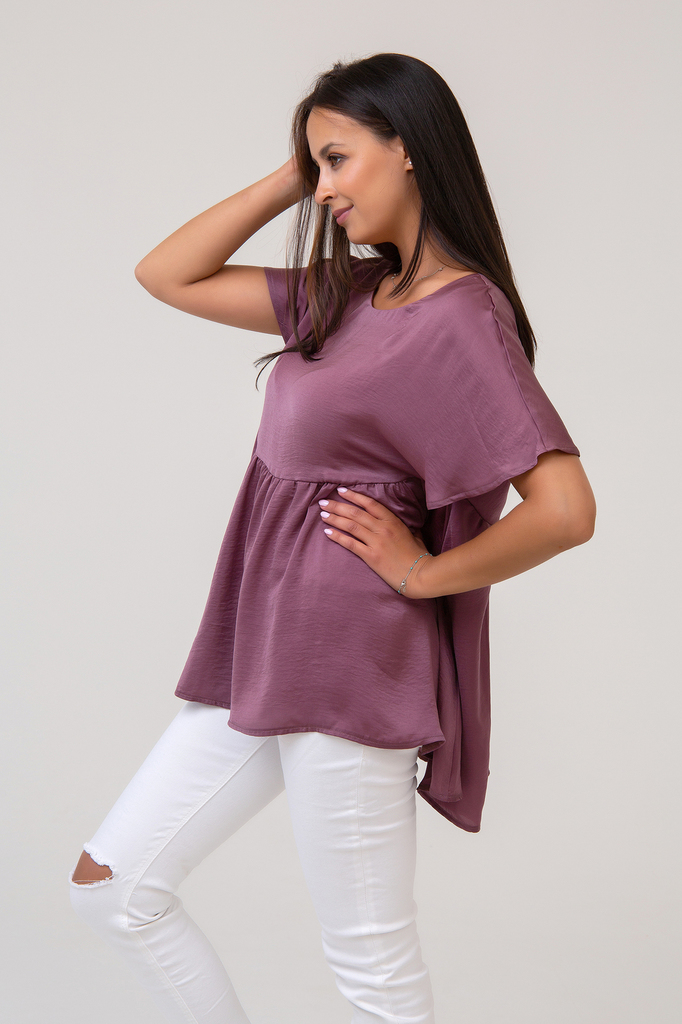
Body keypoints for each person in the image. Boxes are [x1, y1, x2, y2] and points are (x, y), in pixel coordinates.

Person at [69, 52, 596, 1024]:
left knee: (372, 972)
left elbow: (565, 508)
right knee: (114, 884)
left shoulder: (462, 316)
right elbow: (165, 273)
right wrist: (298, 167)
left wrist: (425, 572)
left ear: (409, 150)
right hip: (264, 650)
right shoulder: (348, 292)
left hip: (353, 660)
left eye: (340, 160)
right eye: (316, 166)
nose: (324, 188)